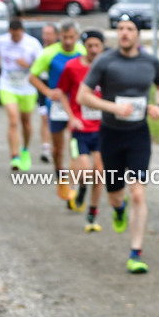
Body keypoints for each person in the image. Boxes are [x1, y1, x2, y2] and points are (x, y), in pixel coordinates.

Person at [78, 15, 159, 274]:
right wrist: (112, 107)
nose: (124, 33)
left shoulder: (150, 62)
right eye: (120, 29)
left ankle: (136, 253)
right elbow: (82, 95)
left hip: (138, 134)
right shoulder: (105, 61)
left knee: (138, 192)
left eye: (129, 29)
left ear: (138, 33)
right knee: (115, 194)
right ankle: (118, 209)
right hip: (111, 134)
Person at [30, 19, 85, 202]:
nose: (68, 41)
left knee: (74, 145)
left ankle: (73, 186)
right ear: (58, 36)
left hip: (76, 105)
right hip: (56, 106)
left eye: (71, 37)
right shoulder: (49, 53)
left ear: (77, 36)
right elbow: (32, 76)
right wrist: (47, 91)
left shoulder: (82, 51)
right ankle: (59, 174)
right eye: (64, 37)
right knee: (58, 148)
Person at [57, 30, 106, 233]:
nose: (93, 49)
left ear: (102, 46)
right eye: (90, 45)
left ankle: (92, 214)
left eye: (97, 46)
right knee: (85, 172)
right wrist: (72, 116)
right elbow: (61, 92)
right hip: (81, 128)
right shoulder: (72, 66)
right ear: (84, 45)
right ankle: (81, 190)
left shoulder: (108, 66)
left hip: (103, 129)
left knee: (100, 173)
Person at [0, 19, 43, 171]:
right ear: (9, 32)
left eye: (18, 36)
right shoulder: (1, 41)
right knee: (13, 120)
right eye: (13, 36)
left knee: (25, 122)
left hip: (27, 87)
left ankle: (25, 149)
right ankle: (15, 156)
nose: (16, 39)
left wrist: (27, 65)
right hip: (8, 85)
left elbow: (41, 66)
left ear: (23, 32)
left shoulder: (32, 43)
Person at [38, 23, 59, 163]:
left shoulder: (60, 50)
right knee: (45, 118)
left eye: (49, 33)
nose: (45, 36)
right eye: (44, 33)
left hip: (58, 88)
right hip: (43, 87)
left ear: (56, 35)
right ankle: (46, 148)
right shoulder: (38, 49)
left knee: (59, 119)